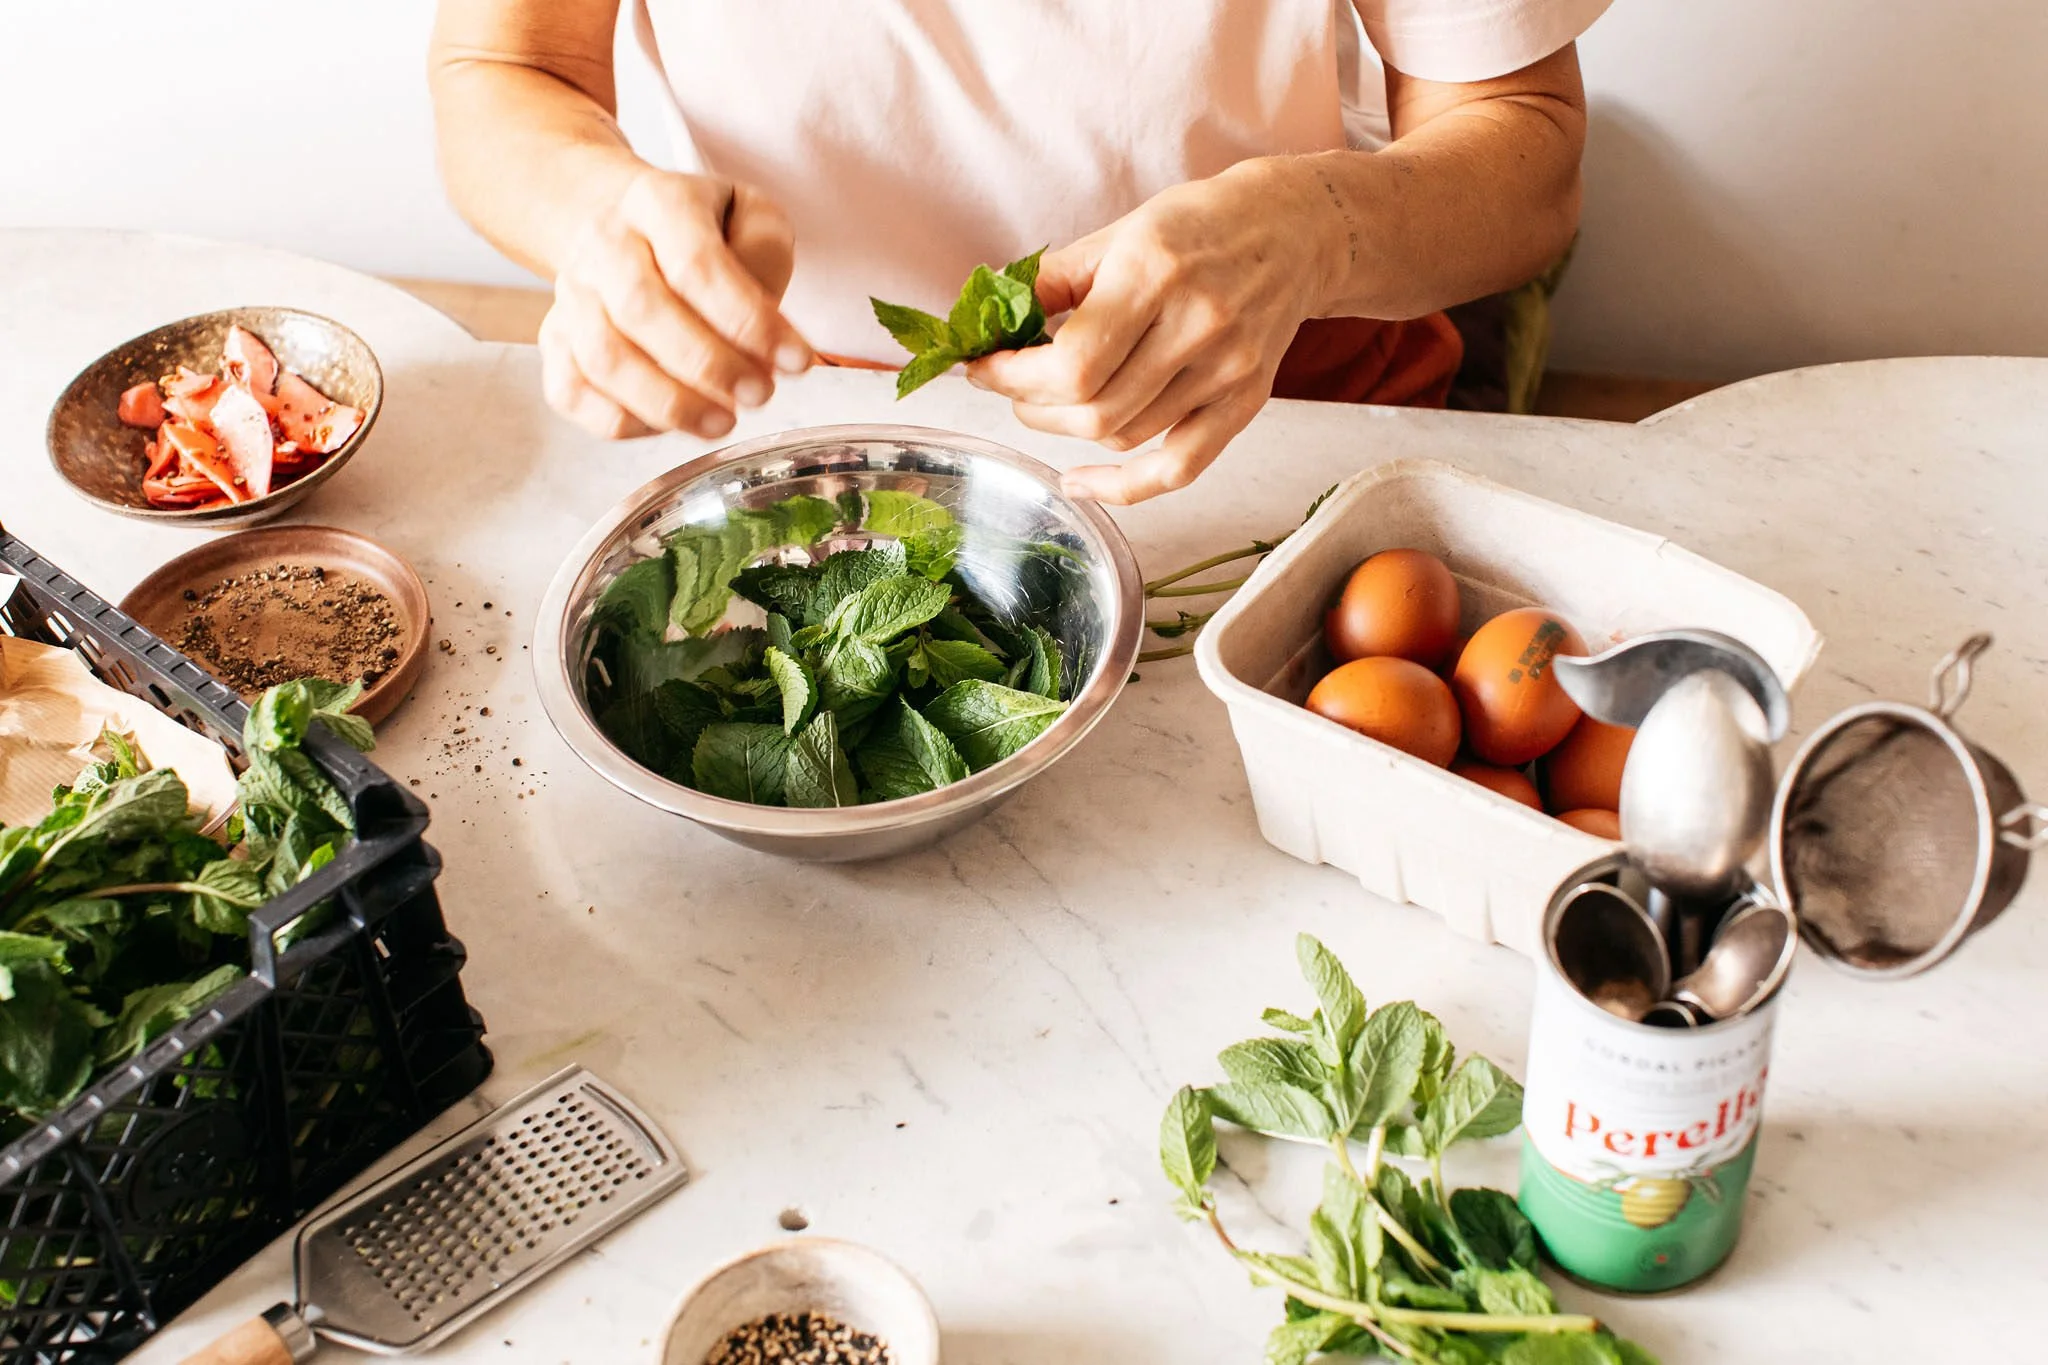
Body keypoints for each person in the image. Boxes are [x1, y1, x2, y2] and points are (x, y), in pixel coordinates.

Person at [430, 0, 1604, 503]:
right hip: (805, 437)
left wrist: (1306, 231)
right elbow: (509, 67)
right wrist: (598, 215)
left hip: (1276, 412)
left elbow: (1527, 153)